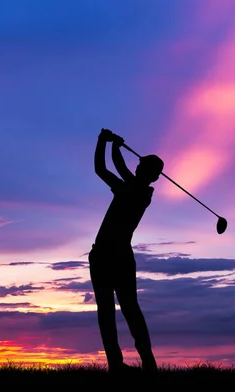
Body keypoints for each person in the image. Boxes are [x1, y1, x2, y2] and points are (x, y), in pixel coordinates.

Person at [88, 128, 164, 374]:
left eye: (143, 167)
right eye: (141, 165)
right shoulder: (129, 187)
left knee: (128, 310)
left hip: (116, 255)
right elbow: (101, 170)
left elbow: (118, 168)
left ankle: (147, 364)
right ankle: (117, 365)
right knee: (109, 311)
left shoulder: (139, 192)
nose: (139, 168)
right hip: (103, 254)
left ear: (151, 176)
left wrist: (113, 145)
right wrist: (106, 143)